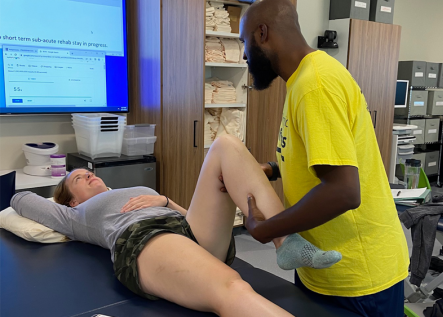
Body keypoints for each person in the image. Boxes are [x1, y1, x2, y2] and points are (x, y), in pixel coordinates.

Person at [12, 135, 341, 317]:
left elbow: (188, 217)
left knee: (226, 144)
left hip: (182, 227)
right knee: (235, 288)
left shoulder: (133, 191)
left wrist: (166, 201)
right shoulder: (76, 214)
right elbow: (20, 199)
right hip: (146, 240)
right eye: (78, 179)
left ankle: (286, 241)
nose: (87, 174)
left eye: (87, 171)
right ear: (71, 200)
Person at [238, 0, 410, 317]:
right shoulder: (299, 82)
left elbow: (344, 190)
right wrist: (273, 170)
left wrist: (270, 228)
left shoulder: (315, 84)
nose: (244, 55)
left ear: (262, 34)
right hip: (322, 269)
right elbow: (319, 157)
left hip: (360, 278)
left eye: (244, 42)